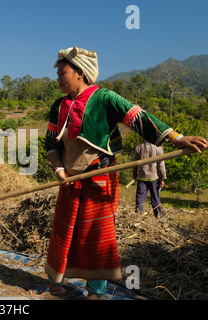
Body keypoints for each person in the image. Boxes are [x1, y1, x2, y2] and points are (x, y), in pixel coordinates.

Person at [44, 46, 208, 300]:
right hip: (69, 180)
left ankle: (95, 291)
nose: (57, 78)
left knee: (95, 233)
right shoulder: (58, 106)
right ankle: (55, 280)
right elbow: (52, 143)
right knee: (64, 229)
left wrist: (177, 137)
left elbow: (138, 117)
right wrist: (59, 168)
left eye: (62, 72)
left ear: (80, 73)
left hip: (99, 175)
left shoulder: (105, 98)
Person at [133, 142, 166, 218]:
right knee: (155, 198)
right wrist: (162, 178)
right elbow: (161, 165)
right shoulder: (158, 148)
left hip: (142, 177)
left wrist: (134, 175)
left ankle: (137, 215)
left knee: (140, 198)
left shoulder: (139, 147)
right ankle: (158, 216)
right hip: (153, 178)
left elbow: (134, 164)